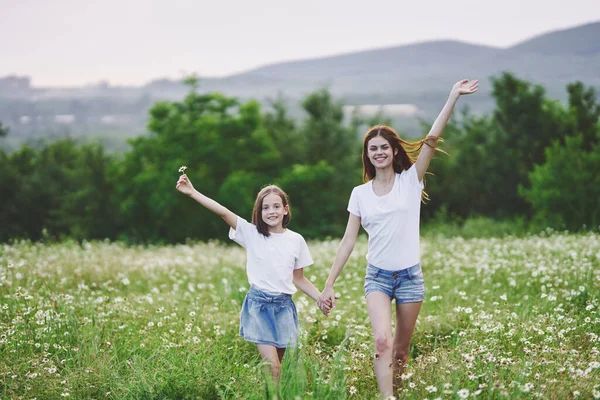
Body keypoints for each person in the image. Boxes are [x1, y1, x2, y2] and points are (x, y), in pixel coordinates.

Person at [318, 79, 479, 397]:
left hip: (410, 278)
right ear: (367, 155)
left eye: (383, 147)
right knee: (382, 341)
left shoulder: (411, 181)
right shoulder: (360, 194)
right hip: (376, 277)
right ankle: (386, 397)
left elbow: (432, 140)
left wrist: (452, 97)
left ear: (393, 151)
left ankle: (397, 392)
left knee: (402, 352)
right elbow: (348, 240)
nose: (378, 152)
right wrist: (329, 283)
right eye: (372, 149)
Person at [176, 177, 330, 379]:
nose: (271, 211)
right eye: (265, 208)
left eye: (276, 206)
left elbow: (299, 279)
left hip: (284, 308)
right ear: (259, 212)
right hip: (259, 306)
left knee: (277, 369)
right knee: (272, 366)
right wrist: (193, 193)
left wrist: (319, 297)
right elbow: (223, 211)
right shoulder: (251, 233)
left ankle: (271, 394)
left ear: (285, 209)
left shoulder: (296, 240)